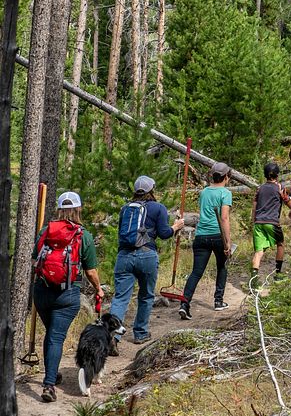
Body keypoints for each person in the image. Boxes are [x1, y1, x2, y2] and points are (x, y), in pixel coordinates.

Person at [33, 191, 104, 402]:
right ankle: (49, 384)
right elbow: (91, 271)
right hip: (67, 294)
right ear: (78, 209)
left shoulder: (45, 232)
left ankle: (52, 375)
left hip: (42, 292)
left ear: (59, 209)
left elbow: (35, 260)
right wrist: (99, 289)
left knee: (52, 335)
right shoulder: (83, 235)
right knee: (55, 336)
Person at [109, 176, 185, 351]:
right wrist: (176, 226)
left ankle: (112, 335)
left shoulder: (125, 209)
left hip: (124, 256)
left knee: (120, 298)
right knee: (146, 296)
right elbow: (165, 233)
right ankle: (140, 333)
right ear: (152, 190)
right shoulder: (158, 208)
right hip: (147, 256)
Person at [179, 162, 234, 319]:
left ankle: (185, 303)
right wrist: (228, 241)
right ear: (226, 176)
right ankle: (218, 301)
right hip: (217, 235)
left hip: (201, 235)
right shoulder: (225, 193)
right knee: (222, 266)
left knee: (196, 272)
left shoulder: (204, 192)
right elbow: (224, 218)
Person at [251, 162, 291, 281]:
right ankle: (278, 274)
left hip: (258, 223)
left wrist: (254, 221)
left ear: (265, 175)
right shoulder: (279, 188)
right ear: (277, 175)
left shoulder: (259, 189)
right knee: (280, 244)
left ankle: (253, 282)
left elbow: (254, 207)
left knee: (258, 252)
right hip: (272, 222)